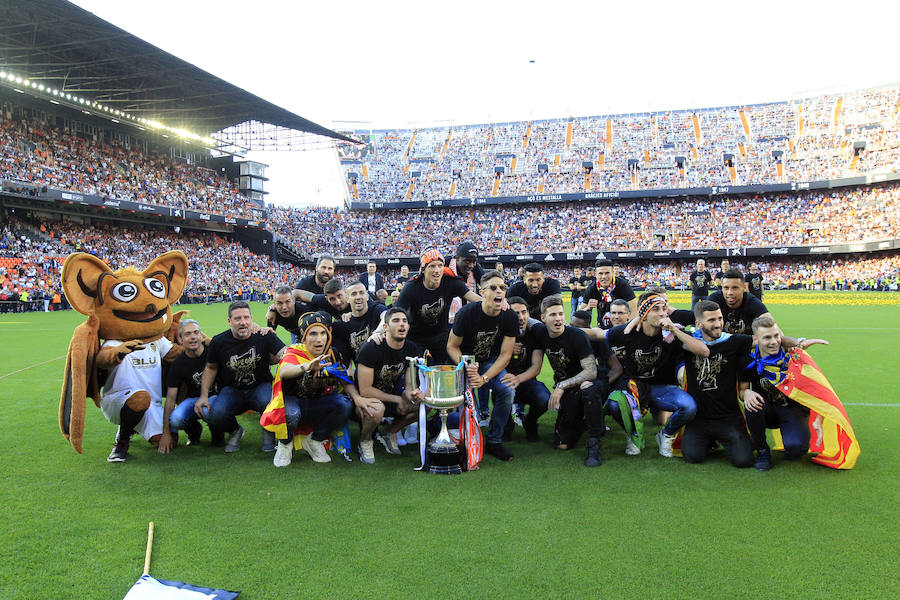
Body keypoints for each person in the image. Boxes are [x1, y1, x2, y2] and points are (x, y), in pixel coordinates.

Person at [604, 292, 710, 457]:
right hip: (635, 387)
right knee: (614, 405)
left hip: (661, 387)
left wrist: (674, 329)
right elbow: (596, 334)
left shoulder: (671, 334)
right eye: (656, 309)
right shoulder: (628, 332)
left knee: (688, 407)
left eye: (664, 308)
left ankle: (665, 435)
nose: (662, 313)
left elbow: (704, 351)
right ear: (644, 314)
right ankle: (633, 434)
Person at [263, 312, 358, 467]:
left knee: (345, 404)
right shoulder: (294, 352)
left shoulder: (332, 354)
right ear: (304, 337)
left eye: (323, 333)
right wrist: (306, 366)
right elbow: (285, 371)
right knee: (291, 414)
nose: (319, 339)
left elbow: (345, 381)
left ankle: (315, 440)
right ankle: (285, 444)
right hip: (295, 403)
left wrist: (358, 398)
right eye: (313, 333)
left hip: (318, 403)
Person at [740, 315, 830, 471]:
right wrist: (746, 393)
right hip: (766, 409)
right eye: (767, 337)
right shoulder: (748, 359)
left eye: (776, 336)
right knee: (752, 403)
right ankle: (762, 450)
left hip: (792, 409)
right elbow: (742, 390)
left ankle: (792, 436)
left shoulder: (792, 356)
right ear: (756, 339)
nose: (774, 341)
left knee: (796, 449)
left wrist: (819, 419)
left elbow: (819, 389)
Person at [196, 301, 286, 453]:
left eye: (246, 317)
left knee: (270, 402)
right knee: (215, 413)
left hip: (260, 386)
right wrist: (203, 396)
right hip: (232, 389)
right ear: (229, 321)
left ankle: (268, 432)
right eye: (238, 319)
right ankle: (235, 430)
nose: (243, 322)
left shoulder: (264, 336)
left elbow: (285, 353)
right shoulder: (219, 341)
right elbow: (210, 368)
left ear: (251, 319)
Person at [447, 270, 518, 461]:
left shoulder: (509, 316)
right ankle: (463, 438)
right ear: (482, 291)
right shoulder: (466, 313)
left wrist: (484, 378)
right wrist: (466, 365)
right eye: (493, 288)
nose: (499, 292)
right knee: (471, 411)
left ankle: (495, 441)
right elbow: (452, 346)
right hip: (465, 362)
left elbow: (505, 355)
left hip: (489, 362)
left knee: (507, 391)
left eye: (502, 288)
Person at [680, 301, 755, 468]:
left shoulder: (734, 341)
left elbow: (765, 340)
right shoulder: (687, 343)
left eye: (720, 319)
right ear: (699, 324)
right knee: (692, 457)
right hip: (699, 418)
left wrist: (798, 342)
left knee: (744, 461)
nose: (718, 324)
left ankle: (724, 439)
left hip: (727, 417)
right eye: (712, 320)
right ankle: (710, 440)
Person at [531, 296, 603, 467]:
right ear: (543, 318)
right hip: (568, 391)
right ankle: (581, 424)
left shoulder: (577, 335)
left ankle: (594, 443)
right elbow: (524, 320)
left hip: (584, 383)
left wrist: (561, 385)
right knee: (562, 445)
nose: (558, 319)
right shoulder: (540, 332)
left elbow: (591, 371)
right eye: (553, 315)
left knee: (589, 391)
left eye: (561, 314)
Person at [355, 306, 425, 461]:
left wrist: (413, 394)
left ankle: (389, 432)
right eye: (396, 321)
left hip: (389, 393)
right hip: (364, 400)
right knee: (377, 409)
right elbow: (365, 390)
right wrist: (398, 400)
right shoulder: (371, 348)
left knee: (423, 405)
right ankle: (365, 441)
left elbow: (409, 385)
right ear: (385, 327)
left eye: (404, 321)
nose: (401, 324)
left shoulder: (412, 348)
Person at [393, 248, 481, 363]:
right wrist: (378, 332)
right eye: (432, 266)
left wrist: (495, 302)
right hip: (416, 337)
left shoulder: (450, 282)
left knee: (446, 368)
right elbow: (395, 312)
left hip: (440, 335)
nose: (437, 270)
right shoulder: (412, 287)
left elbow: (473, 297)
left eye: (440, 266)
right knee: (415, 370)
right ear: (423, 270)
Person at [158, 319, 217, 453]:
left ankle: (227, 430)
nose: (193, 337)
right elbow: (170, 399)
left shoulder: (212, 352)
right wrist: (166, 432)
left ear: (201, 335)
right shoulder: (178, 364)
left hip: (216, 396)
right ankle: (194, 431)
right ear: (180, 339)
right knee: (176, 419)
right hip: (193, 399)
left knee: (209, 410)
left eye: (196, 332)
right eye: (188, 334)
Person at [503, 296, 548, 441]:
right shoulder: (499, 332)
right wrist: (506, 351)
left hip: (527, 381)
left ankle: (530, 422)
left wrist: (518, 379)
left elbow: (536, 367)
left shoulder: (535, 332)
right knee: (502, 391)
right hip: (503, 382)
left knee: (544, 398)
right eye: (516, 313)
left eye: (524, 312)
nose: (521, 318)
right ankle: (505, 423)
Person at [332, 280, 388, 362]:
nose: (358, 297)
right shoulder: (344, 324)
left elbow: (387, 316)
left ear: (367, 296)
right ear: (347, 298)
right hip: (362, 371)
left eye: (361, 293)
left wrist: (377, 332)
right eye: (354, 294)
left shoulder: (376, 309)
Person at [707, 268, 770, 334]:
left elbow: (770, 323)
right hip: (722, 343)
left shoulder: (751, 301)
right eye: (726, 288)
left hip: (747, 343)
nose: (729, 292)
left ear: (744, 288)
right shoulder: (714, 300)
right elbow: (702, 325)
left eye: (735, 288)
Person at [579, 259, 637, 327]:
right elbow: (579, 315)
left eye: (607, 273)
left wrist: (627, 329)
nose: (604, 276)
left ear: (612, 273)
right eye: (600, 273)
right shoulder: (592, 288)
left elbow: (634, 312)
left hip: (621, 328)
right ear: (596, 275)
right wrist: (588, 308)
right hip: (602, 328)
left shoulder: (623, 286)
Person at [448, 241, 485, 321]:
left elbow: (487, 283)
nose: (471, 265)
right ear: (457, 258)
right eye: (467, 261)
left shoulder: (476, 268)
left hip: (469, 317)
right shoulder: (445, 265)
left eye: (474, 262)